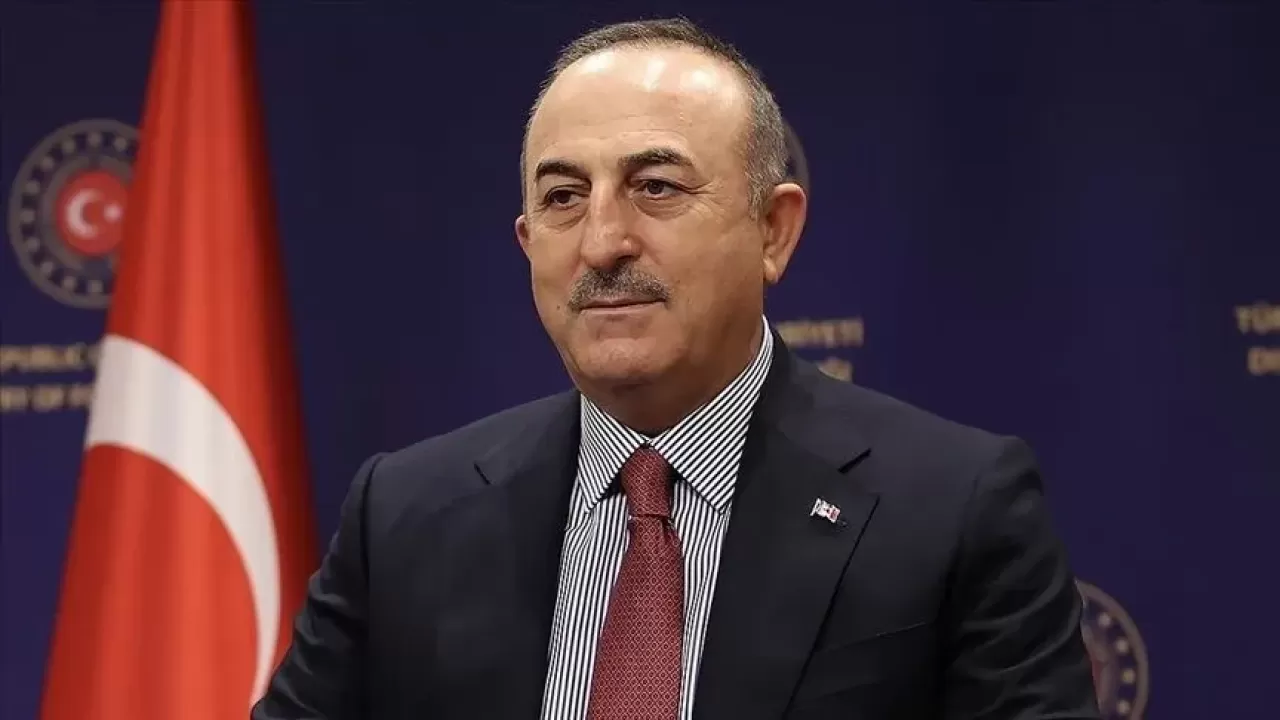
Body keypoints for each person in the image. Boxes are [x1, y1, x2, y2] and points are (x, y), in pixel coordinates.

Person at [253, 17, 1100, 720]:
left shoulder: (956, 509)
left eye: (656, 186)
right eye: (563, 197)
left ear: (773, 231)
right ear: (527, 243)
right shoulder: (404, 515)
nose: (602, 242)